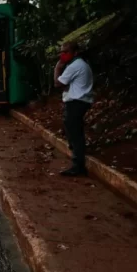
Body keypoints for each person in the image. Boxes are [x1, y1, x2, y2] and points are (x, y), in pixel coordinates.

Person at [54, 41, 94, 176]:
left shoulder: (75, 66)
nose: (62, 55)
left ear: (75, 52)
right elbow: (67, 85)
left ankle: (78, 166)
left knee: (75, 133)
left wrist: (57, 69)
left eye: (66, 52)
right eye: (61, 52)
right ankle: (76, 155)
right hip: (80, 101)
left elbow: (58, 83)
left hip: (77, 102)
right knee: (72, 129)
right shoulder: (80, 64)